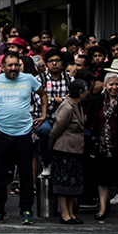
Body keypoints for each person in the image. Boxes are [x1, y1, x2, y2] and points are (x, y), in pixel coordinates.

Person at [0, 52, 49, 225]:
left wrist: (44, 115)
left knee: (26, 175)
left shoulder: (29, 79)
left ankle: (26, 210)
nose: (13, 68)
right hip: (1, 133)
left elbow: (43, 95)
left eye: (16, 65)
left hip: (23, 133)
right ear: (3, 67)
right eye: (10, 65)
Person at [86, 72, 118, 222]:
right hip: (102, 146)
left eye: (116, 84)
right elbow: (91, 120)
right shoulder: (98, 101)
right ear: (105, 86)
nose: (114, 87)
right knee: (103, 178)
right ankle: (102, 208)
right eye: (111, 84)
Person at [49, 79, 89, 224]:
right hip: (64, 150)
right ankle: (64, 213)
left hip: (76, 150)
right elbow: (56, 129)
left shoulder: (78, 106)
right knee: (63, 184)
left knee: (74, 184)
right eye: (86, 91)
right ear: (80, 92)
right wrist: (51, 145)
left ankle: (71, 213)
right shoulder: (67, 106)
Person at [32, 50, 71, 178]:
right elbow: (40, 102)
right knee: (45, 130)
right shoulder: (39, 79)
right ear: (46, 63)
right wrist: (61, 101)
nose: (54, 63)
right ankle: (46, 163)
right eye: (51, 61)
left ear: (62, 63)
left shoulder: (70, 79)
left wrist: (51, 99)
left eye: (57, 60)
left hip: (64, 119)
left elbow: (72, 101)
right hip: (44, 119)